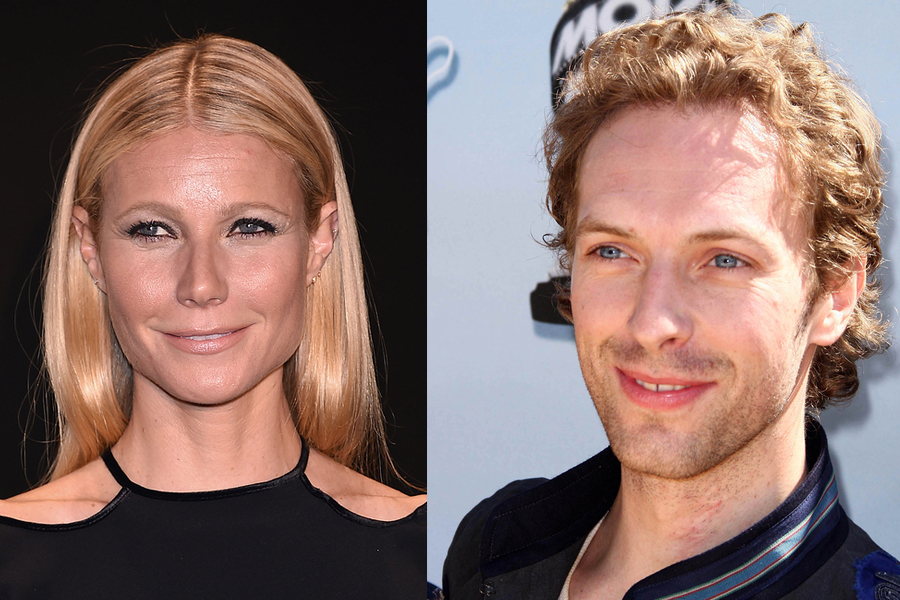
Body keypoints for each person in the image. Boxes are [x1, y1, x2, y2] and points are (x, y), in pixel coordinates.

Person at [443, 7, 898, 600]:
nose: (652, 322)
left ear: (834, 294)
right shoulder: (490, 552)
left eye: (724, 260)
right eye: (613, 251)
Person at [0, 35, 425, 598]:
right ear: (90, 249)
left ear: (319, 241)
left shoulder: (427, 557)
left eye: (249, 228)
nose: (201, 285)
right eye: (153, 231)